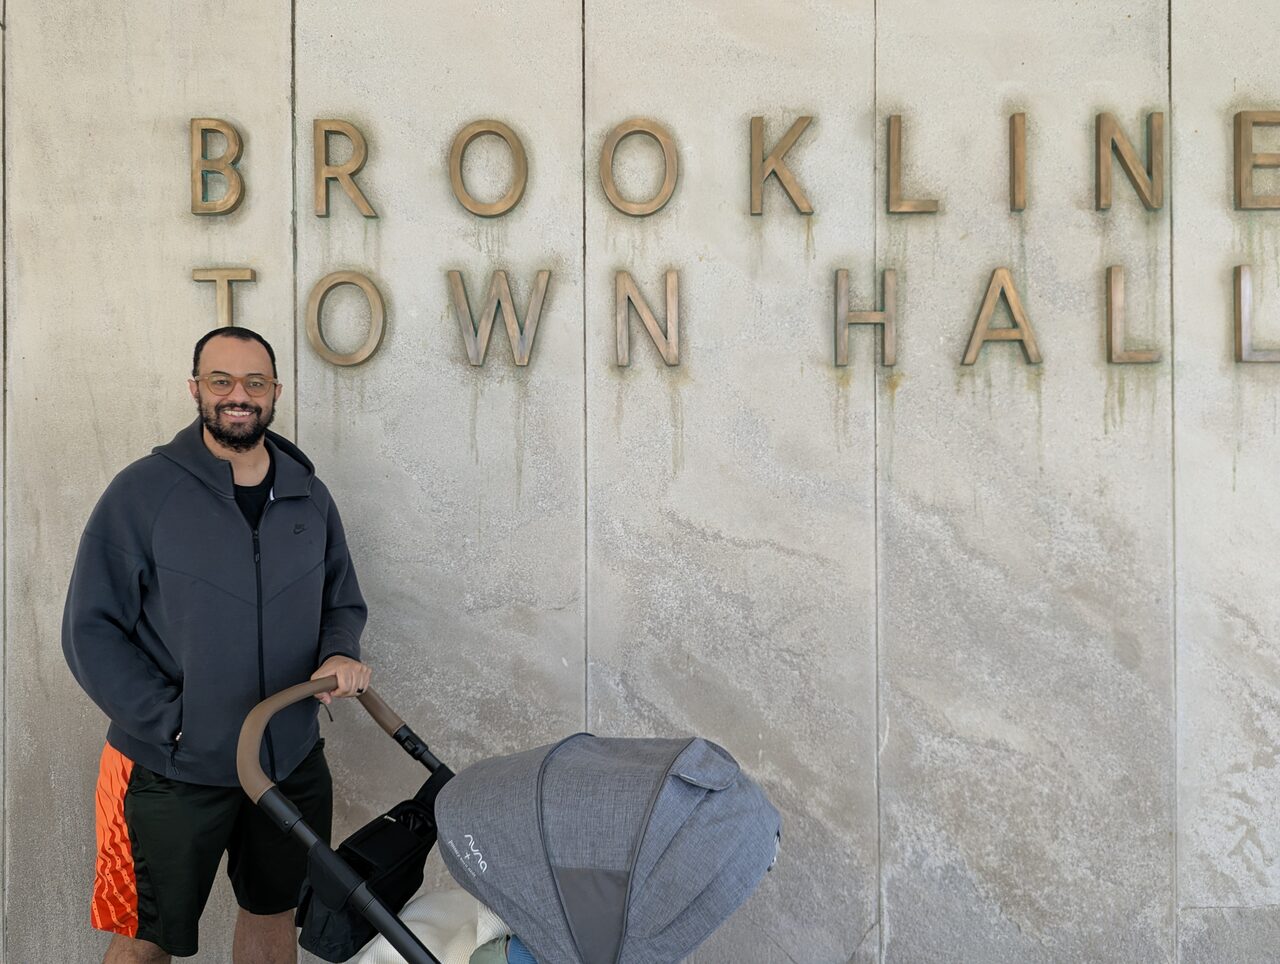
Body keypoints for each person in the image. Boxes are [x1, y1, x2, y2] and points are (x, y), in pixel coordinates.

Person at [63, 326, 373, 963]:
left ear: (275, 392)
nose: (239, 395)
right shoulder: (143, 492)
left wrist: (340, 650)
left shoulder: (308, 497)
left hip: (288, 762)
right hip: (173, 770)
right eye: (222, 381)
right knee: (146, 941)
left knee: (271, 924)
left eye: (254, 383)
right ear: (196, 389)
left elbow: (340, 599)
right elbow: (89, 629)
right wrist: (170, 723)